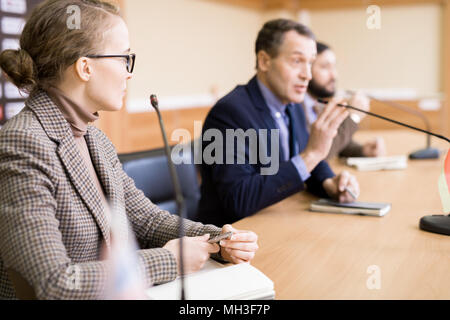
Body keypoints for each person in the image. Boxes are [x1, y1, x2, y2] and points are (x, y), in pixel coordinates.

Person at [0, 0, 258, 300]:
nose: (129, 72)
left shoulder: (95, 140)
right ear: (85, 67)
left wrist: (219, 239)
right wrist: (170, 260)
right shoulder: (21, 143)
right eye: (124, 58)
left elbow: (146, 220)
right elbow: (55, 282)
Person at [196, 19, 360, 226]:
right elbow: (238, 199)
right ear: (264, 61)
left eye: (310, 63)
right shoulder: (229, 113)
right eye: (297, 61)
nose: (307, 75)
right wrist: (312, 155)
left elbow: (304, 162)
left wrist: (329, 182)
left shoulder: (293, 105)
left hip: (279, 222)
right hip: (230, 240)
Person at [305, 41, 386, 159]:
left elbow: (331, 142)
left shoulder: (320, 104)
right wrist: (353, 117)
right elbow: (318, 155)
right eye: (325, 67)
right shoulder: (295, 106)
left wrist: (362, 150)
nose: (334, 75)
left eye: (334, 67)